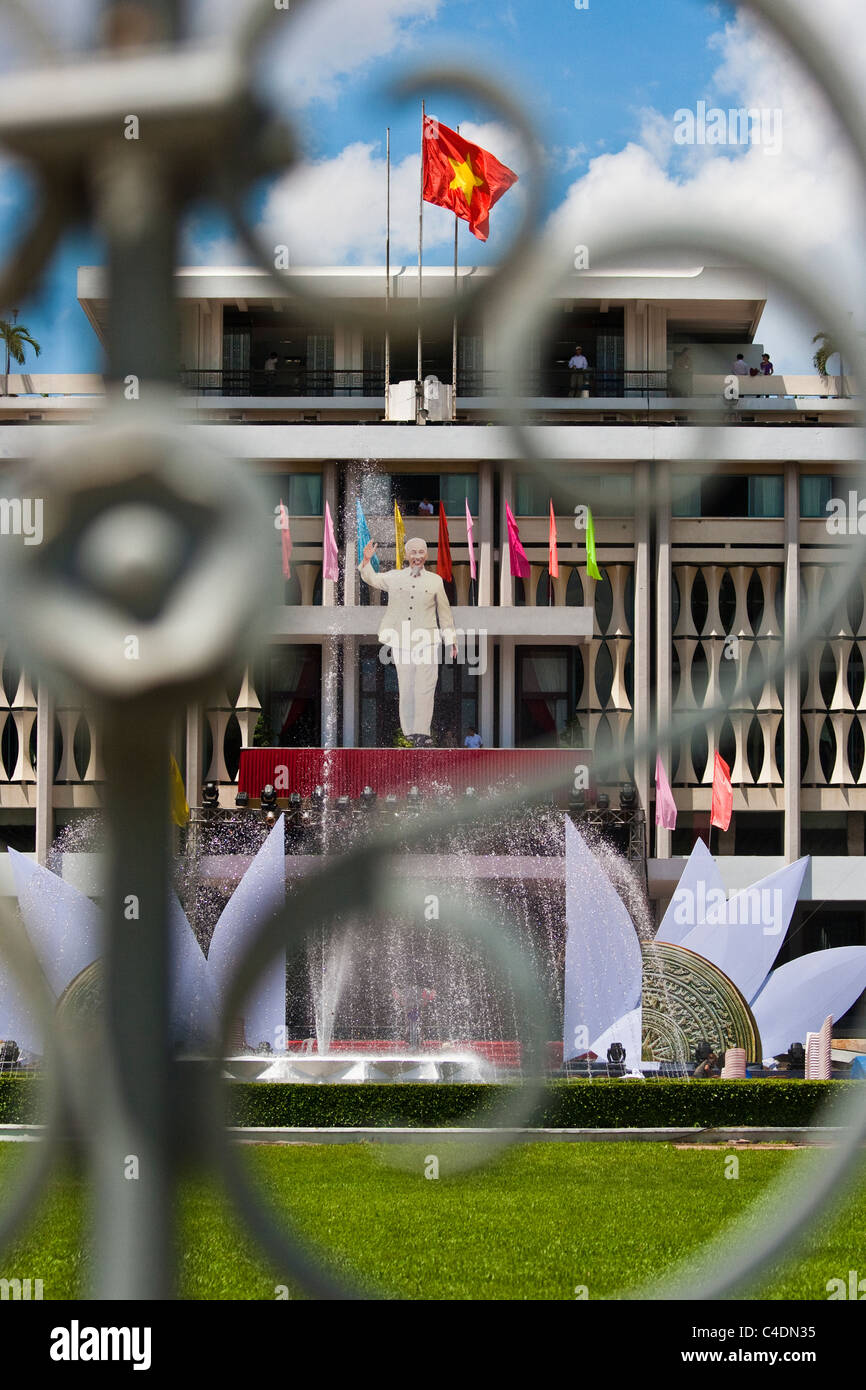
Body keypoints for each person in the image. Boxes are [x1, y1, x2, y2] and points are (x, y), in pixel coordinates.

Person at [359, 536, 457, 747]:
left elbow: (445, 612)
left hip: (428, 641)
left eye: (421, 552)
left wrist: (450, 639)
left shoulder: (435, 580)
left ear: (426, 555)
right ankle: (410, 732)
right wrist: (366, 561)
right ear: (406, 555)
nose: (417, 556)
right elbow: (373, 579)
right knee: (407, 686)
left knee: (426, 686)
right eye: (413, 552)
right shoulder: (395, 577)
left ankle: (423, 731)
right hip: (401, 639)